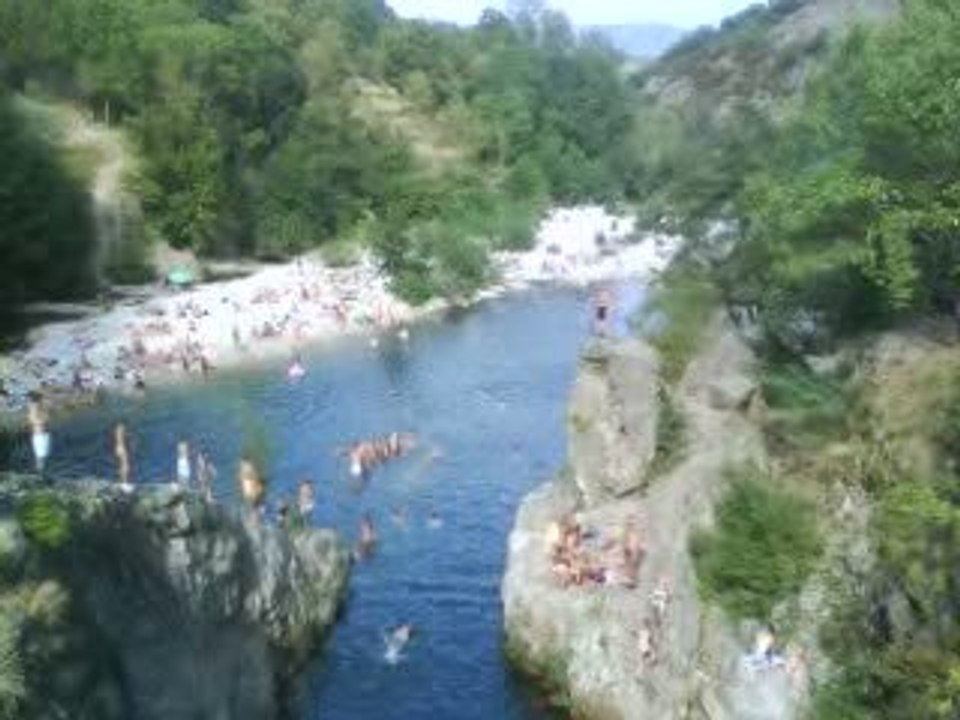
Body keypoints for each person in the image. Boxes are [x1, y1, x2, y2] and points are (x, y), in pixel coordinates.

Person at [27, 392, 51, 476]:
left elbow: (34, 420)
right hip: (40, 433)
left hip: (40, 433)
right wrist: (43, 420)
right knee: (41, 456)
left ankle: (39, 472)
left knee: (41, 455)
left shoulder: (36, 407)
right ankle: (39, 473)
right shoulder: (35, 407)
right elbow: (34, 420)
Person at [114, 423, 132, 491]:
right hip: (121, 448)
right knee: (125, 467)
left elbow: (120, 439)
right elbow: (120, 440)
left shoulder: (118, 431)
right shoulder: (120, 429)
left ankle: (122, 483)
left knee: (123, 466)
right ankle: (124, 484)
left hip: (120, 448)